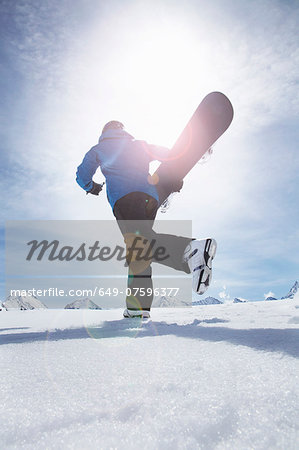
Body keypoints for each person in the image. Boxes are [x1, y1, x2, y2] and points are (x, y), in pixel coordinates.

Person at [76, 121, 217, 319]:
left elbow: (82, 175)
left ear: (104, 132)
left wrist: (91, 187)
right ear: (122, 130)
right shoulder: (138, 144)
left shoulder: (99, 148)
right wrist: (185, 162)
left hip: (124, 198)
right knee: (139, 248)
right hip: (150, 198)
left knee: (139, 244)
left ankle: (190, 250)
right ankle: (138, 308)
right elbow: (169, 155)